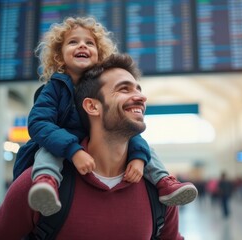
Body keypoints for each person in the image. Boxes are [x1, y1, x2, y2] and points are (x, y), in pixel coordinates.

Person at [0, 54, 184, 239]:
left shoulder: (159, 192)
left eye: (138, 89)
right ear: (92, 106)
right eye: (124, 89)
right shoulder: (38, 186)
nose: (140, 96)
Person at [16, 16, 197, 216]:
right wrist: (74, 150)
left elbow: (127, 131)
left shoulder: (100, 89)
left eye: (89, 43)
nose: (82, 46)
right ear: (59, 56)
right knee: (48, 151)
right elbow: (39, 122)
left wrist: (138, 158)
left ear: (99, 54)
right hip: (61, 143)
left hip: (92, 142)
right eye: (73, 42)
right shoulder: (54, 88)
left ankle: (163, 182)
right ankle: (45, 184)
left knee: (137, 139)